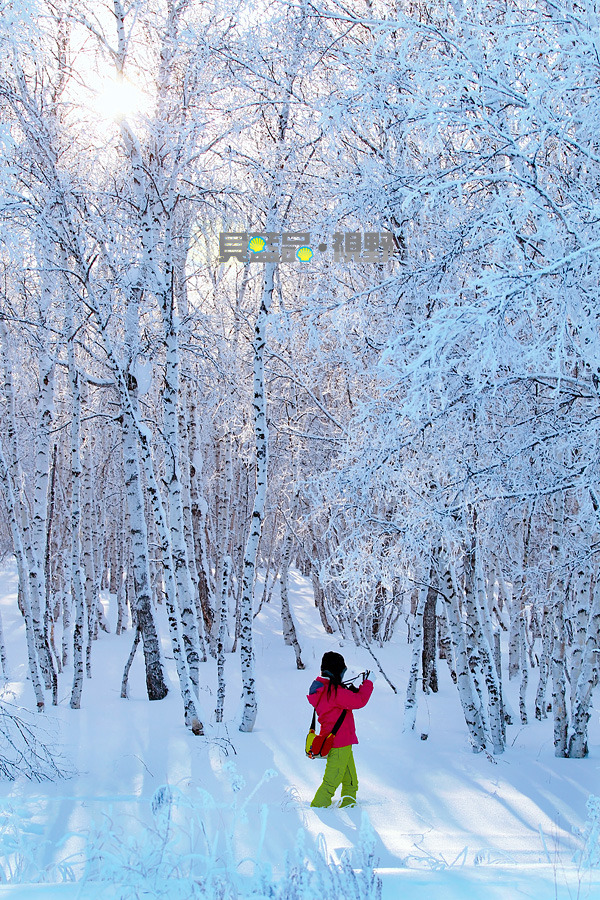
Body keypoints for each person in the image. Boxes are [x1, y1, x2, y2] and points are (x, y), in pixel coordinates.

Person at [308, 651, 374, 808]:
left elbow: (348, 698)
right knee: (331, 782)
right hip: (339, 743)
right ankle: (317, 809)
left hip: (340, 742)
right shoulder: (334, 693)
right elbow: (359, 701)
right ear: (336, 672)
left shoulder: (324, 690)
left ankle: (349, 806)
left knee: (350, 780)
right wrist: (368, 683)